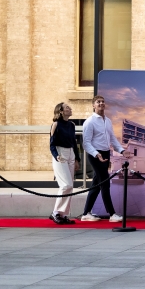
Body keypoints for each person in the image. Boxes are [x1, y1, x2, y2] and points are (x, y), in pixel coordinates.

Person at [80, 95, 127, 223]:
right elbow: (86, 143)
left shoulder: (108, 121)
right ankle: (112, 214)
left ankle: (86, 213)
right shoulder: (89, 122)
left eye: (102, 102)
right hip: (96, 156)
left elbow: (112, 139)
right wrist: (96, 154)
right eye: (98, 102)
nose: (101, 103)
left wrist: (122, 151)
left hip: (106, 154)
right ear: (93, 105)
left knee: (96, 184)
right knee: (105, 183)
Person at [48, 102, 79, 224]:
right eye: (67, 107)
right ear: (60, 111)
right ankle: (55, 213)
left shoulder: (71, 125)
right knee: (65, 185)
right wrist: (56, 156)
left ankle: (63, 214)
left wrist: (77, 159)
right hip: (60, 153)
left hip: (71, 153)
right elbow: (51, 144)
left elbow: (74, 142)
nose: (70, 109)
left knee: (70, 186)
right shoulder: (55, 125)